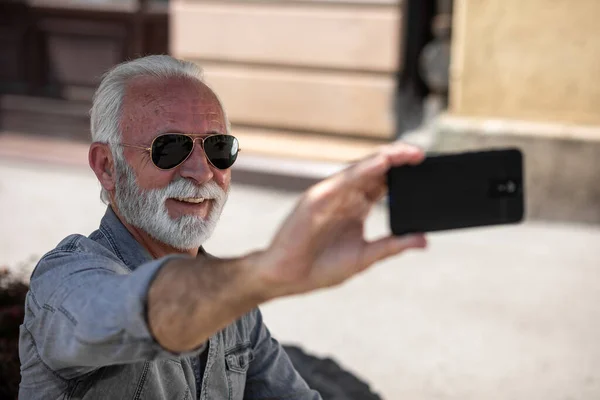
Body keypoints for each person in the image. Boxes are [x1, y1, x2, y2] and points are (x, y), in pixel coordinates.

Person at [18, 55, 427, 399]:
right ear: (107, 167)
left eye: (218, 148)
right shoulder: (65, 279)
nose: (201, 172)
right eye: (170, 148)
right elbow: (137, 308)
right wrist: (266, 272)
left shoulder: (236, 309)